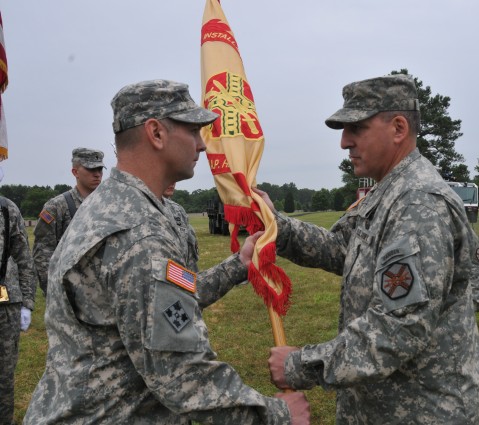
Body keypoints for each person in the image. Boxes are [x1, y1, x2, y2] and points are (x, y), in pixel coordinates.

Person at [24, 79, 309, 424]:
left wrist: (241, 263)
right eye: (192, 131)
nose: (202, 145)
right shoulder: (138, 231)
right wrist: (280, 415)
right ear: (156, 133)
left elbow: (176, 294)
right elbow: (182, 376)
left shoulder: (120, 207)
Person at [261, 74, 479, 424]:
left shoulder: (418, 202)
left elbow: (397, 330)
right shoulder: (389, 192)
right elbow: (341, 248)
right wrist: (275, 226)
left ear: (398, 128)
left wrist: (299, 365)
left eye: (357, 128)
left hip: (421, 411)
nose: (343, 143)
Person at [32, 147, 105, 295]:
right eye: (91, 170)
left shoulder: (108, 205)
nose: (97, 174)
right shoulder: (57, 206)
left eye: (100, 169)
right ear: (75, 172)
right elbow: (43, 252)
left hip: (103, 292)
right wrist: (54, 291)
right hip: (69, 291)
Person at [0, 196, 37, 425]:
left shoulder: (6, 209)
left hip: (5, 305)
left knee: (3, 376)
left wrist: (27, 303)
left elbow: (24, 259)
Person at [163, 182, 199, 271]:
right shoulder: (141, 208)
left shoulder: (178, 210)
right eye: (166, 176)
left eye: (174, 177)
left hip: (181, 277)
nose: (171, 182)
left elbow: (190, 257)